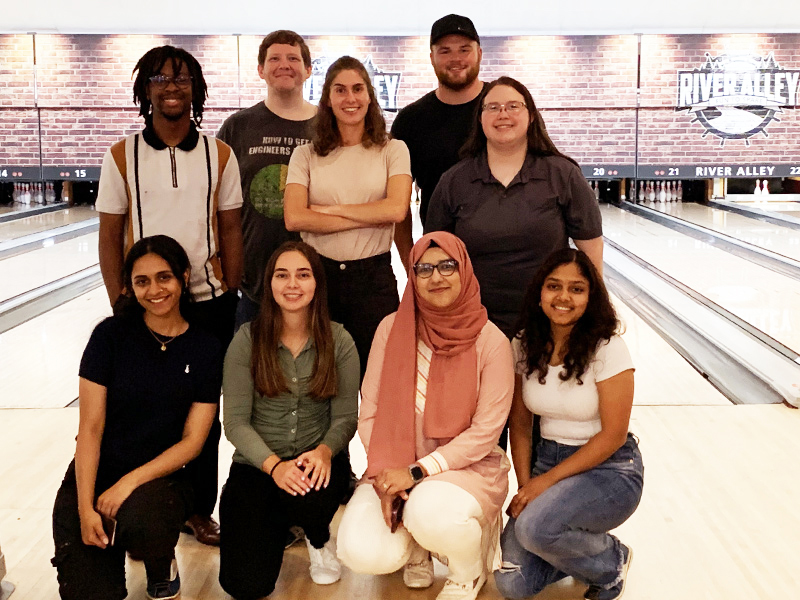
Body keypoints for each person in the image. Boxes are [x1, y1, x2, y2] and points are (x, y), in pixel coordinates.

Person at [96, 45, 244, 545]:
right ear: (146, 89)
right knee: (141, 408)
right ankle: (143, 511)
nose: (172, 86)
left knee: (205, 412)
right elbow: (109, 234)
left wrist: (232, 287)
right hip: (145, 304)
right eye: (160, 78)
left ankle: (197, 508)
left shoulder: (219, 154)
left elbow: (231, 228)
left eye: (182, 78)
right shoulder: (120, 155)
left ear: (196, 89)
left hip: (208, 304)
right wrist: (121, 299)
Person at [337, 231, 514, 600]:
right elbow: (368, 410)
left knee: (431, 511)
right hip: (394, 463)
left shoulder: (491, 341)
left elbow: (485, 433)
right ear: (412, 276)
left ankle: (468, 571)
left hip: (467, 470)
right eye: (424, 269)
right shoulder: (391, 328)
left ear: (463, 270)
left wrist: (416, 472)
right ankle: (415, 548)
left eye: (447, 265)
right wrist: (391, 471)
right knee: (360, 549)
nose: (436, 277)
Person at [52, 235, 222, 600]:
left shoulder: (206, 348)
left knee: (147, 519)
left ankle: (159, 559)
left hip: (165, 480)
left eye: (165, 278)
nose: (155, 290)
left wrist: (128, 483)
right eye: (142, 281)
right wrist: (85, 508)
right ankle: (111, 545)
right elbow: (91, 429)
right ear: (130, 286)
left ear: (183, 277)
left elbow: (193, 442)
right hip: (99, 471)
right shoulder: (109, 337)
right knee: (89, 593)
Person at [495, 248, 644, 600]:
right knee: (512, 583)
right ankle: (569, 549)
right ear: (540, 293)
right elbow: (519, 425)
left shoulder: (608, 348)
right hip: (548, 459)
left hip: (610, 468)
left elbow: (613, 435)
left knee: (534, 528)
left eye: (576, 289)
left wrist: (543, 485)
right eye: (554, 286)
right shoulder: (523, 344)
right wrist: (526, 484)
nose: (563, 297)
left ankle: (611, 562)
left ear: (591, 297)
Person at [219, 241, 359, 599]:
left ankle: (317, 536)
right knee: (245, 586)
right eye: (282, 275)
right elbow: (234, 422)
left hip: (317, 462)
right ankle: (275, 523)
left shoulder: (339, 340)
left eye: (303, 275)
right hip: (258, 466)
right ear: (269, 284)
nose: (292, 284)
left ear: (317, 284)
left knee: (310, 499)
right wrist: (274, 467)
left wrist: (326, 451)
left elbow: (345, 417)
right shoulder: (246, 340)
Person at [425, 76, 603, 340]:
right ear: (480, 118)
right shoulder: (454, 180)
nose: (502, 114)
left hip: (549, 321)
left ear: (530, 115)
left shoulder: (563, 175)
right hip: (474, 322)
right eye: (493, 107)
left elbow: (591, 257)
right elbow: (433, 256)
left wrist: (594, 315)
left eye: (513, 106)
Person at [284, 55, 412, 380]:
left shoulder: (392, 150)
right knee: (319, 385)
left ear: (370, 96)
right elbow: (295, 218)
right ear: (328, 98)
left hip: (374, 280)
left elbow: (396, 210)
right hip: (319, 279)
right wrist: (372, 214)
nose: (350, 98)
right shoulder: (305, 154)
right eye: (340, 90)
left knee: (378, 386)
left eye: (358, 89)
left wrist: (328, 211)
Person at [217, 30, 316, 331]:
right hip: (252, 282)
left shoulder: (327, 125)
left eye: (293, 58)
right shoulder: (238, 126)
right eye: (274, 58)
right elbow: (216, 201)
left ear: (308, 70)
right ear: (260, 70)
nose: (284, 64)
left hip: (314, 279)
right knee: (248, 373)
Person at [392, 13, 484, 268]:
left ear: (479, 53)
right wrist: (411, 264)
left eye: (464, 49)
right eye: (445, 51)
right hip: (440, 259)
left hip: (507, 258)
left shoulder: (503, 108)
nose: (456, 59)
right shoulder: (410, 120)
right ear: (431, 57)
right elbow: (399, 205)